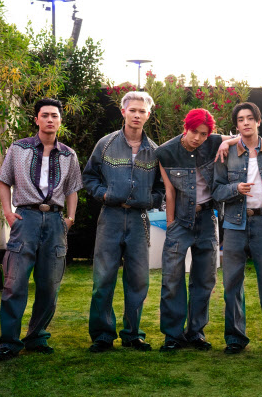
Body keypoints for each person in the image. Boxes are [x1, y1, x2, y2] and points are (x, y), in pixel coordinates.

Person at [0, 98, 82, 362]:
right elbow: (3, 180)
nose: (50, 120)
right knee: (15, 283)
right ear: (36, 120)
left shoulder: (69, 154)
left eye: (54, 116)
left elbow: (72, 189)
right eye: (45, 115)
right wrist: (8, 213)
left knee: (49, 285)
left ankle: (37, 337)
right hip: (26, 218)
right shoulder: (18, 148)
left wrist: (70, 218)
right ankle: (8, 342)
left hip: (55, 221)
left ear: (60, 121)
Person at [83, 91, 164, 353]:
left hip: (140, 219)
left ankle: (133, 334)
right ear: (123, 112)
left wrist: (150, 199)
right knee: (103, 278)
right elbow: (89, 177)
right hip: (111, 217)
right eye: (132, 110)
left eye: (142, 111)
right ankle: (102, 335)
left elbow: (162, 187)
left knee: (138, 279)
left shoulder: (155, 151)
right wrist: (104, 194)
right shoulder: (105, 144)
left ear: (148, 115)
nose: (137, 115)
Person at [212, 102, 262, 355]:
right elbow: (216, 190)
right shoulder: (227, 152)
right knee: (232, 284)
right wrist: (235, 189)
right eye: (240, 119)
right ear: (236, 125)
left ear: (258, 121)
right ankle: (235, 339)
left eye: (250, 118)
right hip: (234, 225)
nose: (245, 122)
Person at [155, 108, 239, 352]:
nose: (198, 138)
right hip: (180, 222)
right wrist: (171, 223)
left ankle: (196, 333)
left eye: (204, 134)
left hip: (207, 220)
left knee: (205, 280)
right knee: (172, 279)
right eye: (194, 132)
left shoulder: (213, 142)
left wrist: (226, 143)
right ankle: (172, 335)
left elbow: (244, 137)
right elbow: (169, 191)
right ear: (186, 127)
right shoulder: (166, 151)